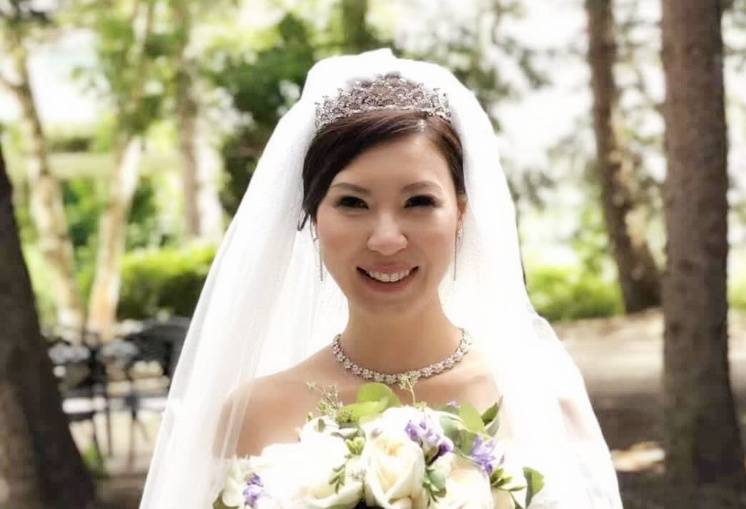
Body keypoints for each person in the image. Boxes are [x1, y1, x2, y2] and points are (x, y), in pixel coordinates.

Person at [139, 49, 623, 508]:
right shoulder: (253, 414)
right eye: (352, 203)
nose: (386, 239)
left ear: (460, 213)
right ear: (312, 218)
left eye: (419, 202)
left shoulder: (538, 400)